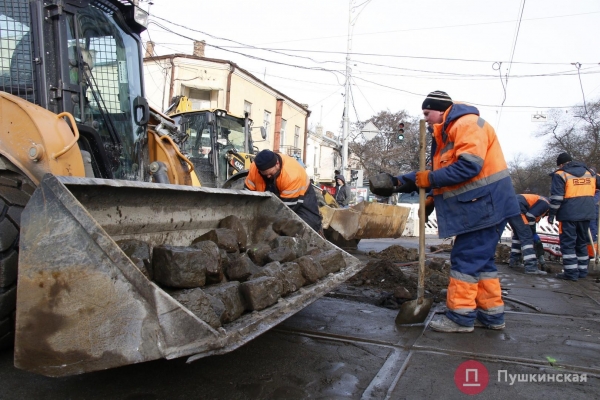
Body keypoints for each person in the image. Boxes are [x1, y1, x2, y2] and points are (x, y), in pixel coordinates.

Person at [370, 90, 520, 333]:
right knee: (481, 264)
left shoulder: (466, 124)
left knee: (465, 261)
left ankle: (460, 318)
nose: (425, 118)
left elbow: (468, 167)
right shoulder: (448, 131)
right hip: (483, 207)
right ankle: (491, 316)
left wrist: (429, 180)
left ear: (440, 110)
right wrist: (401, 182)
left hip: (484, 207)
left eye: (427, 113)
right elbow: (440, 173)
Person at [548, 152, 599, 281]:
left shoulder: (560, 174)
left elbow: (556, 198)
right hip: (587, 213)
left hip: (568, 214)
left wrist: (552, 214)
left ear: (560, 164)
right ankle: (582, 271)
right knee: (581, 242)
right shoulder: (589, 173)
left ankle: (570, 273)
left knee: (568, 244)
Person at [245, 149, 322, 233]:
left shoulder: (291, 175)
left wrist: (269, 225)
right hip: (273, 191)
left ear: (277, 163)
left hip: (301, 195)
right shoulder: (255, 168)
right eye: (265, 174)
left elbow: (285, 210)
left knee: (308, 225)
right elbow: (248, 192)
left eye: (270, 174)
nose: (268, 177)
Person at [507, 194, 549, 275]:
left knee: (518, 236)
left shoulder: (540, 201)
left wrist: (533, 232)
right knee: (527, 237)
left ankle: (514, 261)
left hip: (510, 207)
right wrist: (532, 233)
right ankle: (531, 267)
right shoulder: (546, 203)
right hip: (518, 208)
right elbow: (530, 216)